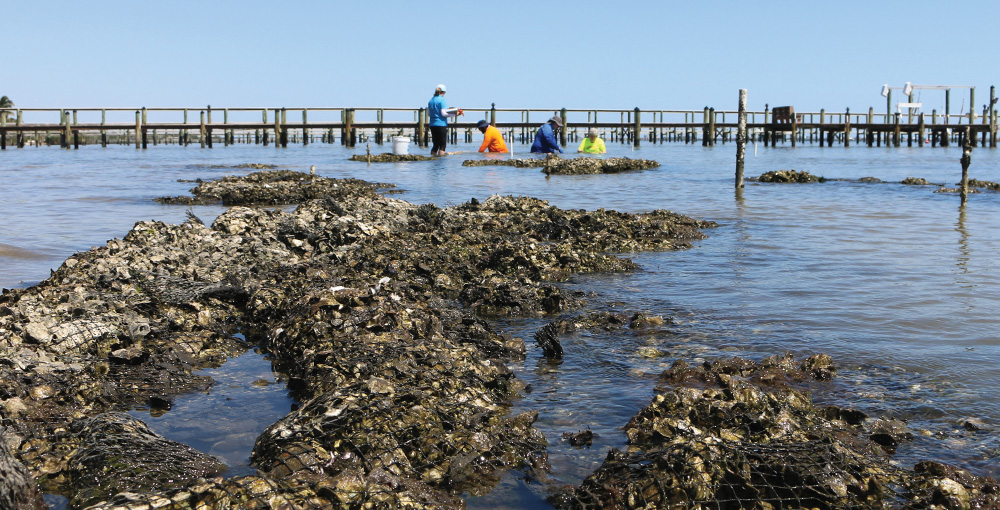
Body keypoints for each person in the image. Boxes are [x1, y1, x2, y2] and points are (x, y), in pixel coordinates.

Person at [427, 84, 463, 155]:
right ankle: (441, 162)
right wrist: (455, 114)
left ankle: (432, 159)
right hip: (441, 124)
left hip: (432, 124)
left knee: (435, 145)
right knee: (442, 145)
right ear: (444, 92)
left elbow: (428, 114)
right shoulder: (442, 100)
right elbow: (443, 113)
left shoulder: (431, 100)